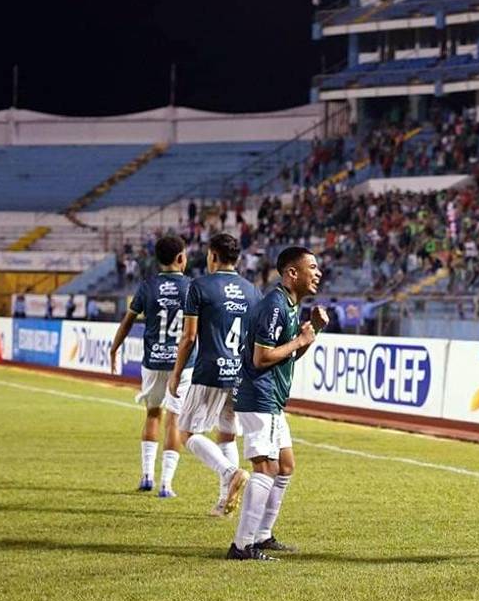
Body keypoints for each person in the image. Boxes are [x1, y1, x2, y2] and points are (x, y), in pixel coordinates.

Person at [227, 247, 329, 561]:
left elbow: (285, 355)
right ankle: (242, 546)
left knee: (285, 466)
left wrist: (312, 335)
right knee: (266, 467)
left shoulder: (289, 304)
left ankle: (262, 535)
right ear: (291, 273)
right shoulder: (274, 305)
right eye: (312, 267)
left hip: (270, 397)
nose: (318, 272)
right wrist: (299, 340)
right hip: (260, 396)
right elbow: (261, 358)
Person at [168, 232, 259, 516]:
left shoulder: (200, 286)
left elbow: (188, 336)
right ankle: (223, 503)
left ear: (213, 256)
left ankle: (229, 472)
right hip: (240, 373)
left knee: (186, 433)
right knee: (227, 435)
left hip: (210, 371)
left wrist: (176, 373)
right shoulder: (252, 291)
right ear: (239, 259)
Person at [110, 234, 193, 497]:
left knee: (152, 414)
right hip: (181, 362)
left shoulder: (148, 286)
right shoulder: (192, 287)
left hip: (153, 360)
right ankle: (166, 484)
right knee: (175, 419)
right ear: (181, 258)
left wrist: (114, 348)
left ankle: (147, 476)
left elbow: (128, 321)